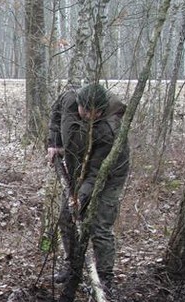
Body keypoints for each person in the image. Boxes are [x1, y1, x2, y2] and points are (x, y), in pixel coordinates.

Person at [46, 82, 130, 286]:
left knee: (99, 225)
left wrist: (80, 199)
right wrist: (54, 143)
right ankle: (72, 267)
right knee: (66, 218)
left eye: (97, 112)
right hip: (77, 167)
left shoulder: (109, 131)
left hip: (108, 175)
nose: (92, 115)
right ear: (80, 105)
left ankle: (105, 279)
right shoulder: (69, 100)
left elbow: (96, 174)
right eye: (88, 111)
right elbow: (56, 115)